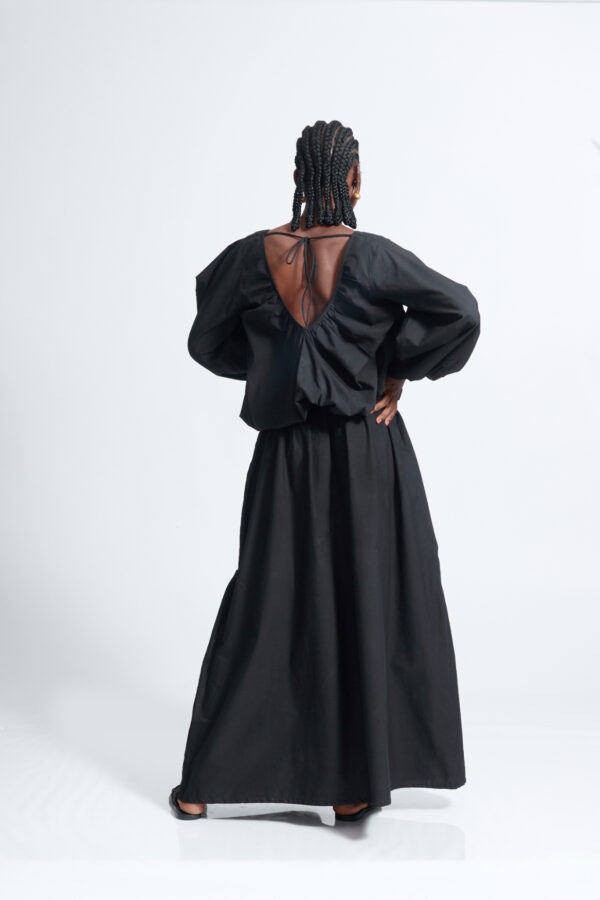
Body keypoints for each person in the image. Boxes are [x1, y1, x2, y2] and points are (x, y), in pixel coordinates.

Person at [170, 120, 481, 824]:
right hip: (366, 450)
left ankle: (201, 785)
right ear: (354, 180)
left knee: (264, 602)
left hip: (283, 455)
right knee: (364, 596)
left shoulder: (251, 257)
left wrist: (275, 370)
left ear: (297, 178)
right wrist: (394, 369)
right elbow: (461, 311)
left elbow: (206, 341)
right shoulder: (373, 257)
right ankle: (351, 786)